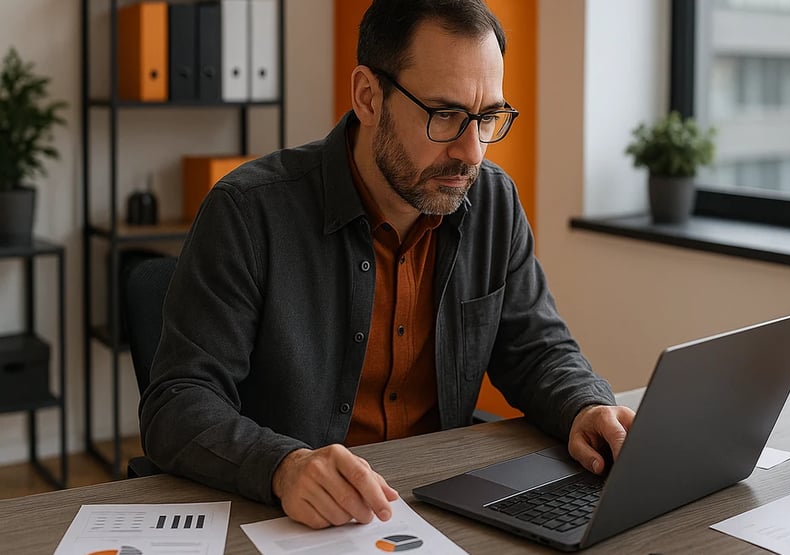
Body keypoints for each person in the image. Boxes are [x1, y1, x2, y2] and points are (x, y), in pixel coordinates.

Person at [140, 0, 635, 529]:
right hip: (297, 523)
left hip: (441, 506)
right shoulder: (248, 212)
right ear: (367, 96)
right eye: (445, 115)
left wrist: (585, 407)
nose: (472, 152)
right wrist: (283, 466)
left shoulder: (493, 202)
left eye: (488, 117)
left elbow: (536, 348)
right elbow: (178, 402)